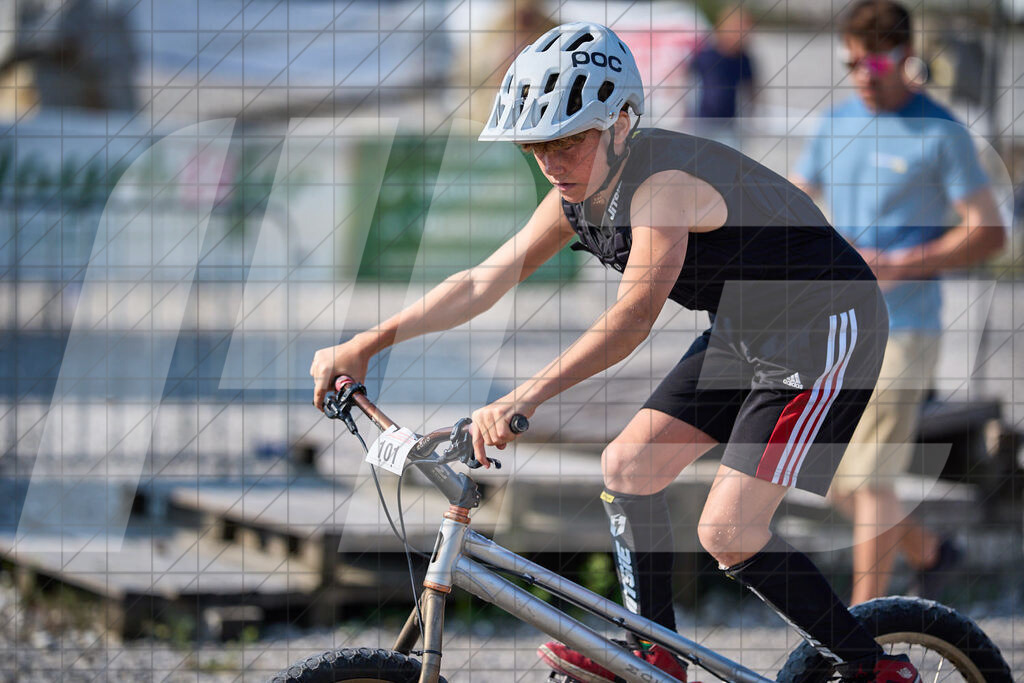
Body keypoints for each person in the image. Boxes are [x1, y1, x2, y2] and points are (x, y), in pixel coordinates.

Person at [311, 21, 921, 683]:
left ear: (621, 123)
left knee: (729, 530)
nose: (551, 162)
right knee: (628, 464)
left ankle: (872, 668)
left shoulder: (662, 184)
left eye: (569, 141)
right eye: (537, 145)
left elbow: (632, 319)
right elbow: (484, 281)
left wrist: (524, 398)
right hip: (747, 330)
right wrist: (365, 342)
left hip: (826, 324)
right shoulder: (574, 196)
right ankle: (654, 648)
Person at [790, 0, 1005, 605]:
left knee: (874, 479)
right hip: (838, 325)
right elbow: (796, 202)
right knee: (830, 474)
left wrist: (904, 264)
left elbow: (989, 231)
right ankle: (929, 552)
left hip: (906, 326)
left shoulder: (942, 133)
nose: (861, 75)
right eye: (850, 62)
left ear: (905, 58)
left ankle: (864, 628)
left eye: (873, 64)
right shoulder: (833, 123)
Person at [687, 4, 756, 142]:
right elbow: (688, 81)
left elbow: (751, 89)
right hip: (702, 121)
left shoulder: (743, 60)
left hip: (729, 124)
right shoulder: (706, 54)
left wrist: (751, 117)